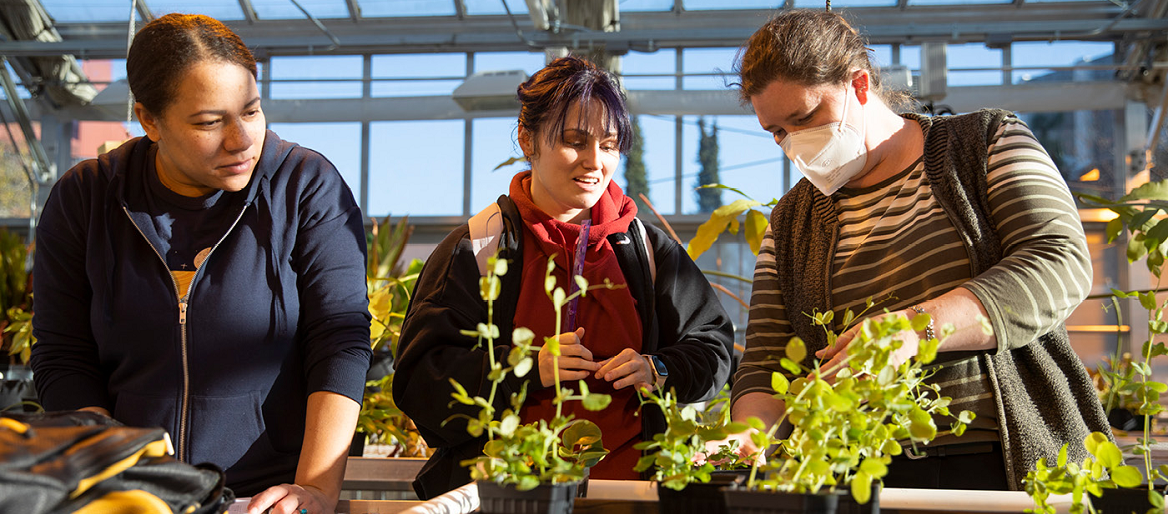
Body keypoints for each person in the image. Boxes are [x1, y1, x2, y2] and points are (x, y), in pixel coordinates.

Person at [727, 10, 1109, 491]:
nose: (793, 142)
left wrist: (912, 330)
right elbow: (765, 364)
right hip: (858, 478)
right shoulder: (790, 223)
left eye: (804, 118)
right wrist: (745, 435)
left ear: (860, 85)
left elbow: (1058, 262)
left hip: (1004, 465)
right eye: (776, 131)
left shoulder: (984, 143)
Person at [29, 14, 371, 514]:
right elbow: (64, 353)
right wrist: (112, 476)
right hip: (133, 498)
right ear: (149, 120)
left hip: (270, 500)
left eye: (251, 112)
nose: (241, 140)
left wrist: (315, 488)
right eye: (210, 122)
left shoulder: (305, 186)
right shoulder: (87, 197)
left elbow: (340, 337)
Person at [393, 56, 735, 499]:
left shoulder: (646, 249)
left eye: (610, 144)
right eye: (575, 141)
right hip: (509, 497)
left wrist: (658, 368)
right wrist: (527, 368)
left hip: (629, 497)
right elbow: (420, 381)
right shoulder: (478, 248)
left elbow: (714, 346)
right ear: (527, 139)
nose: (595, 161)